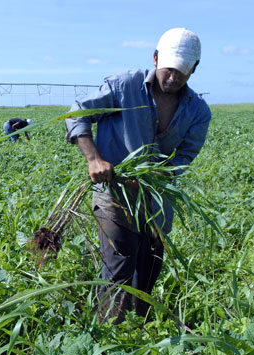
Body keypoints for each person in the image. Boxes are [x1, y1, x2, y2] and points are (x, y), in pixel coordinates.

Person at [64, 28, 211, 323]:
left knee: (147, 272)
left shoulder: (198, 111)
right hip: (114, 198)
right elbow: (77, 113)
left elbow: (186, 154)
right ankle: (111, 336)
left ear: (193, 69)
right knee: (118, 270)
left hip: (157, 204)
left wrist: (163, 171)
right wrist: (94, 159)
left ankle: (140, 330)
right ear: (156, 59)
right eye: (168, 70)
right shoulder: (124, 86)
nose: (173, 78)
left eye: (182, 72)